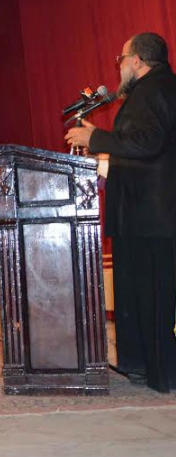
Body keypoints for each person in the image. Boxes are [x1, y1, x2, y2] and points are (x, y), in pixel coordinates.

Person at [65, 32, 176, 393]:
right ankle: (142, 366)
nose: (119, 65)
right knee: (142, 294)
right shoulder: (155, 88)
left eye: (122, 59)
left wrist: (95, 139)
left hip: (151, 215)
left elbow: (146, 144)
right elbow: (146, 147)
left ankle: (162, 373)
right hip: (147, 214)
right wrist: (102, 144)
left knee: (153, 296)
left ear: (138, 61)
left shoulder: (152, 91)